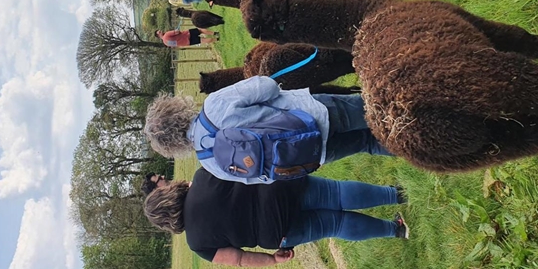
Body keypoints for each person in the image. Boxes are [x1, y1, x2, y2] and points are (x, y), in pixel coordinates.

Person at [143, 75, 392, 184]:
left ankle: (414, 146)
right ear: (174, 109)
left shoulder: (210, 164)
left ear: (173, 147)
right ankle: (414, 108)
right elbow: (267, 87)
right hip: (313, 113)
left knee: (368, 143)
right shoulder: (213, 105)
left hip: (310, 153)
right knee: (376, 109)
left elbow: (259, 177)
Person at [142, 168, 409, 266]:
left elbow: (239, 259)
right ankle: (397, 194)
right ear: (166, 193)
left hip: (277, 232)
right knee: (336, 193)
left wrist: (271, 259)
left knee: (335, 225)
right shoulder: (202, 177)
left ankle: (395, 229)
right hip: (278, 189)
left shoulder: (196, 244)